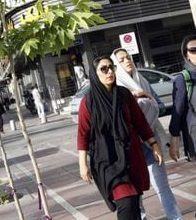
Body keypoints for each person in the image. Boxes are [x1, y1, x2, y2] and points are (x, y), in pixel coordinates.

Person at [78, 56, 163, 219]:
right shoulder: (88, 102)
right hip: (107, 160)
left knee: (135, 203)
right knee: (126, 202)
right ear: (95, 74)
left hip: (130, 155)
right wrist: (83, 165)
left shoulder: (124, 94)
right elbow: (83, 134)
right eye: (104, 69)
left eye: (111, 67)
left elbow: (140, 122)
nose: (109, 71)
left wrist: (154, 144)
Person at [111, 48, 182, 220]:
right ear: (116, 65)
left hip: (151, 142)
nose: (127, 61)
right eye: (122, 60)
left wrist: (146, 97)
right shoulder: (117, 89)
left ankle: (176, 217)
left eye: (128, 57)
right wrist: (134, 99)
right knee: (137, 192)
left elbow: (160, 105)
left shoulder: (142, 81)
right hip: (131, 147)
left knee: (162, 186)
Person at [170, 35, 196, 162]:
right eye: (193, 50)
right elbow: (177, 110)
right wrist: (174, 138)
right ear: (187, 55)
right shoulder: (183, 79)